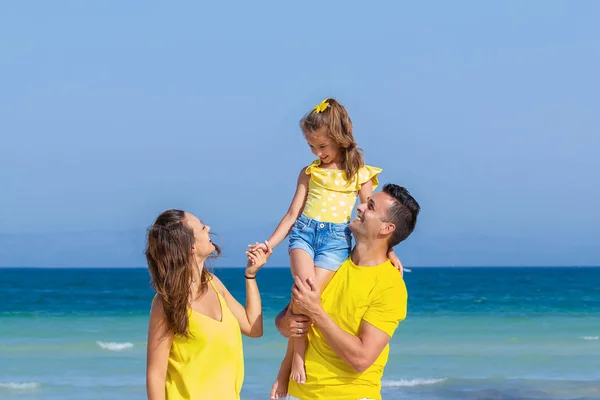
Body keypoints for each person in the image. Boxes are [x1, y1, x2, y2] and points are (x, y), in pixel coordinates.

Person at [274, 184, 420, 400]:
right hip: (298, 393)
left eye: (370, 206)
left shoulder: (391, 286)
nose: (359, 207)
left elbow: (361, 359)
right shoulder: (330, 261)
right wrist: (289, 322)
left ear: (386, 228)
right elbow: (284, 323)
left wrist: (316, 313)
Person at [145, 209, 272, 400]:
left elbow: (253, 327)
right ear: (191, 246)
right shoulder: (166, 303)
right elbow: (156, 375)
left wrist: (251, 275)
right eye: (202, 227)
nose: (209, 228)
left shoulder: (214, 283)